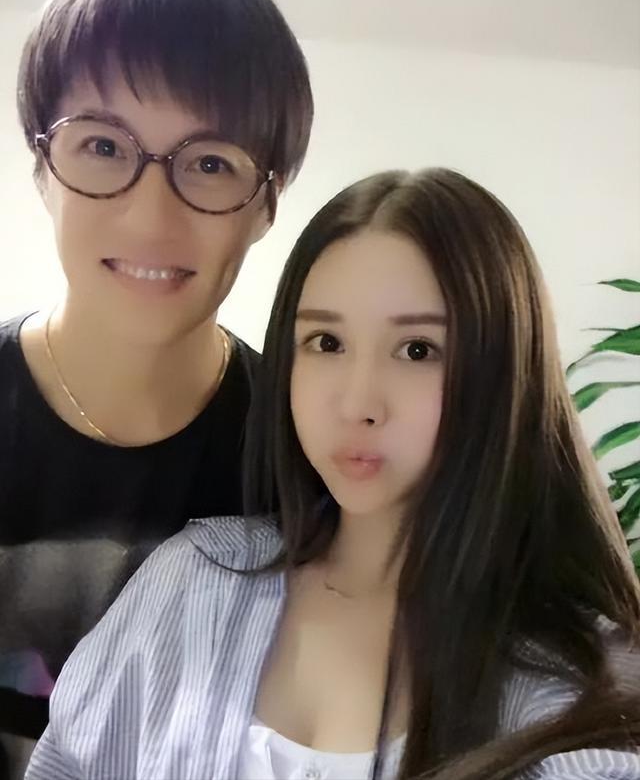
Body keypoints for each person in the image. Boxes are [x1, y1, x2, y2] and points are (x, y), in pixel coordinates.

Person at [26, 169, 640, 780]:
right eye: (326, 342)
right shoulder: (194, 580)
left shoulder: (576, 682)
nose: (357, 404)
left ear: (505, 372)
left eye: (418, 350)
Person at [0, 0, 312, 775]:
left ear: (266, 204)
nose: (150, 217)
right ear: (42, 167)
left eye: (210, 163)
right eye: (103, 146)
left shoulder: (307, 459)